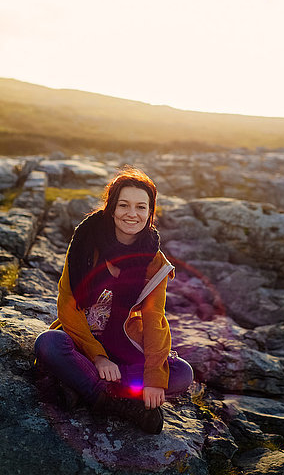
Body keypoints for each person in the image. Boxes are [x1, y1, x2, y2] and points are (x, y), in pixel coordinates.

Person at [34, 167, 193, 434]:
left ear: (150, 212)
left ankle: (82, 386)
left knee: (181, 374)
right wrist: (97, 357)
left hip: (124, 348)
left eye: (141, 207)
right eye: (124, 205)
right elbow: (67, 307)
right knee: (48, 344)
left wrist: (154, 377)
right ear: (111, 207)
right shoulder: (85, 245)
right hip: (82, 343)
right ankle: (114, 401)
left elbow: (155, 319)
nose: (133, 214)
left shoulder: (155, 263)